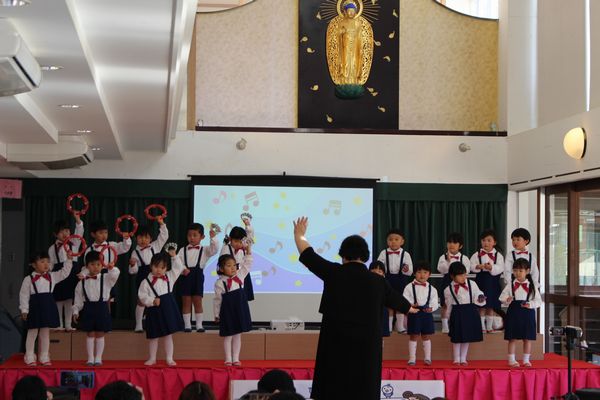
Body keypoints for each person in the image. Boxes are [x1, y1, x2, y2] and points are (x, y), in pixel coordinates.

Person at [294, 217, 415, 400]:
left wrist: (299, 235)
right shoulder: (378, 281)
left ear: (343, 255)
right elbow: (400, 302)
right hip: (367, 347)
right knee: (364, 387)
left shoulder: (333, 272)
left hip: (335, 343)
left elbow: (309, 255)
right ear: (365, 256)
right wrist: (410, 308)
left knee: (332, 386)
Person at [19, 251, 73, 366]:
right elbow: (24, 295)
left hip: (47, 306)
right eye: (42, 261)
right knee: (32, 332)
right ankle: (29, 355)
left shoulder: (52, 276)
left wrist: (69, 260)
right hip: (34, 308)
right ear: (34, 265)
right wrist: (24, 309)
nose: (46, 264)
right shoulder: (28, 279)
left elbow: (64, 273)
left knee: (45, 333)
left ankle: (44, 356)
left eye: (47, 261)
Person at [72, 251, 120, 366]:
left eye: (98, 264)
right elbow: (78, 299)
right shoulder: (81, 282)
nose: (95, 267)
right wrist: (75, 311)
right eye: (92, 264)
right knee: (90, 334)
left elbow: (115, 274)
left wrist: (112, 268)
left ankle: (98, 358)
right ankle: (90, 358)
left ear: (102, 265)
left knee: (100, 334)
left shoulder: (106, 278)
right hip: (88, 308)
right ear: (87, 266)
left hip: (102, 308)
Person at [138, 251, 185, 366]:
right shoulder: (145, 282)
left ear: (166, 268)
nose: (159, 270)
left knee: (168, 335)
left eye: (162, 267)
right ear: (151, 266)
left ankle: (169, 358)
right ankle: (152, 358)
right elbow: (142, 296)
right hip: (154, 310)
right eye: (156, 267)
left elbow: (179, 267)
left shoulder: (170, 276)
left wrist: (174, 256)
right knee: (153, 336)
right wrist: (152, 301)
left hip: (168, 308)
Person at [213, 248, 253, 366]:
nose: (233, 268)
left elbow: (247, 264)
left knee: (237, 335)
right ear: (221, 269)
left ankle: (236, 358)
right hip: (227, 311)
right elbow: (217, 300)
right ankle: (228, 359)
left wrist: (249, 252)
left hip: (239, 309)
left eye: (234, 265)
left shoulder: (240, 276)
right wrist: (216, 314)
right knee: (228, 335)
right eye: (229, 266)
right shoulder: (219, 283)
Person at [129, 217, 168, 332]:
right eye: (140, 237)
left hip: (156, 276)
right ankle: (138, 325)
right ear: (136, 238)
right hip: (142, 277)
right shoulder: (135, 252)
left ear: (151, 238)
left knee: (157, 299)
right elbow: (133, 271)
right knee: (141, 300)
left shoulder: (155, 246)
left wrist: (162, 224)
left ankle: (157, 323)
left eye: (146, 237)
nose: (143, 240)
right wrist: (132, 265)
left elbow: (164, 236)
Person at [500, 258, 541, 367]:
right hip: (513, 313)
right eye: (515, 270)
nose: (517, 273)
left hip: (528, 313)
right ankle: (511, 360)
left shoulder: (533, 286)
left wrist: (530, 304)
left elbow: (538, 301)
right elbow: (501, 297)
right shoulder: (510, 285)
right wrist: (507, 299)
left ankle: (526, 360)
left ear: (527, 271)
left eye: (520, 270)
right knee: (512, 338)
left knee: (527, 338)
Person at [177, 223, 219, 333]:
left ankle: (199, 325)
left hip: (198, 277)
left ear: (202, 237)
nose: (192, 238)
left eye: (195, 235)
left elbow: (214, 250)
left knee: (197, 301)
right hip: (185, 277)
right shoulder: (182, 250)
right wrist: (183, 269)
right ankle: (187, 325)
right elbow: (177, 263)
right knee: (186, 301)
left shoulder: (205, 250)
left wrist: (213, 238)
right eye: (189, 235)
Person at [444, 262, 486, 365]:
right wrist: (449, 318)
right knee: (457, 338)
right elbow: (448, 305)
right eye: (460, 275)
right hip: (457, 313)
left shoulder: (472, 284)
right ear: (452, 276)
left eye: (464, 274)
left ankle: (463, 358)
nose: (463, 277)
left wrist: (480, 297)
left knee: (466, 337)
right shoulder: (448, 289)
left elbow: (478, 293)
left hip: (470, 311)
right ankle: (456, 358)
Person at [82, 220, 132, 304]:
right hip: (95, 276)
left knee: (108, 299)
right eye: (101, 233)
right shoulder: (89, 250)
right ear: (93, 234)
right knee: (96, 297)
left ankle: (106, 312)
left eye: (106, 232)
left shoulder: (112, 245)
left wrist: (126, 239)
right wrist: (84, 274)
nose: (104, 235)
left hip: (108, 275)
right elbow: (86, 266)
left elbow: (124, 247)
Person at [49, 213, 84, 332]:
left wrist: (78, 220)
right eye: (61, 231)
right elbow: (51, 264)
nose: (65, 234)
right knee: (58, 300)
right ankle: (59, 324)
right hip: (58, 273)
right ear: (55, 234)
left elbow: (79, 231)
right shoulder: (52, 248)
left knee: (69, 300)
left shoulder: (74, 243)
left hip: (72, 273)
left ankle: (68, 324)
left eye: (67, 231)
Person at [377, 229, 413, 333]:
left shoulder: (406, 254)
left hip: (401, 280)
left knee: (400, 303)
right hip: (387, 280)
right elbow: (379, 267)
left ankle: (400, 327)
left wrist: (406, 269)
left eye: (396, 239)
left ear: (402, 241)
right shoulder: (383, 253)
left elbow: (410, 271)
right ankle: (388, 327)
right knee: (388, 304)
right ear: (387, 241)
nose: (393, 241)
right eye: (390, 239)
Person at [403, 260, 439, 366]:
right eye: (419, 272)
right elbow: (404, 299)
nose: (422, 275)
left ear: (429, 274)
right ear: (414, 273)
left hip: (426, 314)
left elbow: (434, 302)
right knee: (413, 336)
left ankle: (427, 358)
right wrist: (410, 304)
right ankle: (412, 358)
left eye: (425, 272)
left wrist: (431, 308)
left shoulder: (432, 289)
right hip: (414, 313)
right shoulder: (409, 287)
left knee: (426, 336)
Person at [470, 229, 504, 333]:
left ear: (494, 242)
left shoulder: (498, 255)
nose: (486, 243)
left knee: (491, 306)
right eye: (484, 240)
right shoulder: (477, 254)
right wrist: (477, 266)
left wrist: (491, 268)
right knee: (481, 306)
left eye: (489, 240)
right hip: (480, 283)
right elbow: (471, 266)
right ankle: (482, 327)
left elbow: (501, 268)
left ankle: (489, 327)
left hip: (493, 283)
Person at [436, 232, 470, 333]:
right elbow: (441, 269)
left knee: (459, 303)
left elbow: (466, 271)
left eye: (455, 243)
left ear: (460, 246)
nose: (451, 245)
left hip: (460, 283)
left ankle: (458, 324)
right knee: (445, 304)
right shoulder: (443, 257)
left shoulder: (464, 258)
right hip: (446, 281)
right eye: (449, 242)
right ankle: (445, 326)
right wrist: (448, 261)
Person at [220, 217, 255, 302]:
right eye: (236, 241)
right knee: (231, 299)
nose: (238, 244)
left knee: (243, 299)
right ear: (230, 239)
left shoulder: (244, 247)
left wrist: (248, 226)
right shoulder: (226, 248)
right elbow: (222, 264)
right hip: (230, 276)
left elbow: (249, 238)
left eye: (240, 242)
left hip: (243, 275)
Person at [368, 261, 390, 338]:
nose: (376, 273)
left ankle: (381, 345)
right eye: (374, 271)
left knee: (381, 334)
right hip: (370, 311)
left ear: (383, 274)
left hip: (382, 311)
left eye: (379, 271)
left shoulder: (385, 284)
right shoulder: (366, 283)